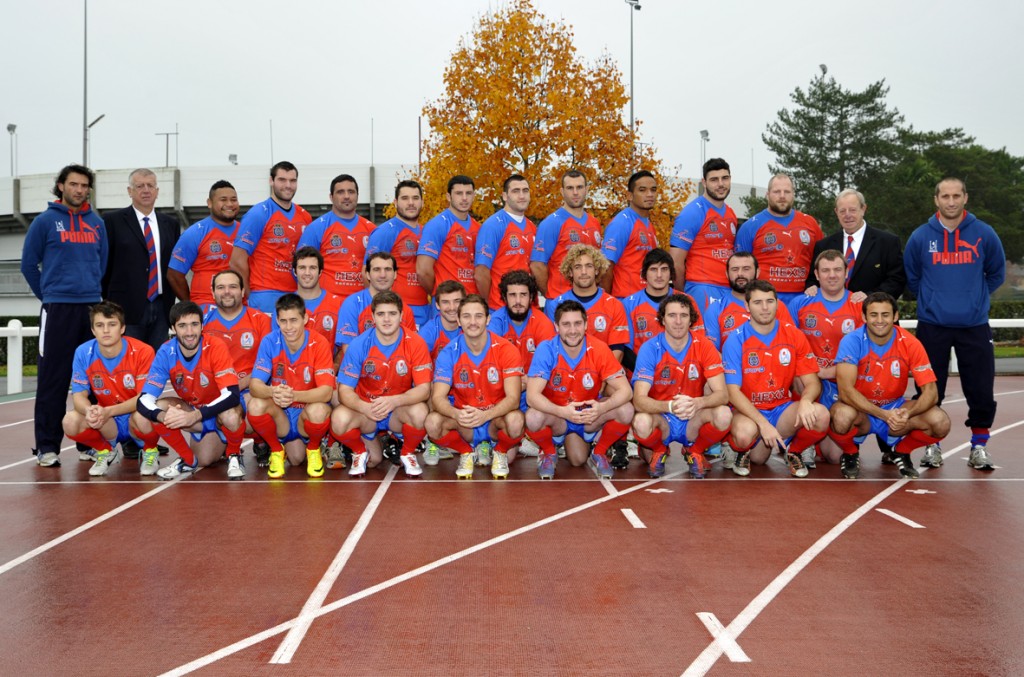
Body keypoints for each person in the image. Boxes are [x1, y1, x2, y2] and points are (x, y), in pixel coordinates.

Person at [904, 177, 1005, 471]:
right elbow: (912, 277)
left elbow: (996, 273)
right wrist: (932, 299)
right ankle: (931, 444)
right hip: (932, 324)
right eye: (945, 196)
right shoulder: (921, 237)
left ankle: (979, 446)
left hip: (974, 324)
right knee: (929, 389)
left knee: (981, 388)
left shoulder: (984, 234)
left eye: (956, 196)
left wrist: (975, 298)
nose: (951, 201)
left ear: (965, 198)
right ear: (936, 200)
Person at [21, 164, 108, 467]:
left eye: (84, 185)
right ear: (61, 186)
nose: (79, 190)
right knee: (53, 380)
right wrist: (49, 296)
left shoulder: (96, 224)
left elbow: (103, 264)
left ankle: (89, 442)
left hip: (90, 310)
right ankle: (47, 446)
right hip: (57, 310)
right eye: (73, 184)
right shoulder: (45, 222)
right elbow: (28, 265)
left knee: (93, 381)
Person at [830, 292, 951, 479]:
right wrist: (883, 415)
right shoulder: (851, 341)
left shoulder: (911, 343)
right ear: (863, 317)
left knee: (940, 422)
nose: (879, 320)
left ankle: (901, 451)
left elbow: (931, 392)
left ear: (895, 316)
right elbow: (846, 392)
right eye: (873, 315)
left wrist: (907, 414)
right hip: (862, 411)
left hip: (895, 408)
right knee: (840, 416)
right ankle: (851, 452)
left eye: (885, 315)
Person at [721, 280, 830, 478]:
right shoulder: (735, 339)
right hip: (748, 412)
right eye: (758, 302)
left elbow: (812, 382)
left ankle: (795, 452)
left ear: (777, 304)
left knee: (820, 414)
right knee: (753, 449)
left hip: (781, 410)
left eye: (770, 301)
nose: (765, 308)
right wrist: (763, 424)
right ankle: (738, 448)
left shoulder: (793, 334)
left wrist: (805, 401)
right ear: (747, 306)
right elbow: (732, 392)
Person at [134, 302, 247, 480]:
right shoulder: (166, 351)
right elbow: (144, 399)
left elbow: (232, 395)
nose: (189, 332)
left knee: (231, 416)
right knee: (151, 413)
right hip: (193, 410)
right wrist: (163, 417)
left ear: (202, 326)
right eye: (182, 326)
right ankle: (187, 460)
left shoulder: (215, 346)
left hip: (219, 412)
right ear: (173, 328)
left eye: (194, 324)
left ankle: (234, 454)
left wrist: (195, 416)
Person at [525, 301, 634, 480]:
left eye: (577, 323)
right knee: (532, 416)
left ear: (586, 325)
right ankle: (549, 452)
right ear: (556, 327)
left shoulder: (598, 348)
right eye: (566, 324)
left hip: (588, 416)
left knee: (626, 409)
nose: (572, 330)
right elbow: (532, 396)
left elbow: (626, 391)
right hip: (558, 415)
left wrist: (601, 408)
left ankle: (599, 452)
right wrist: (562, 412)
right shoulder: (546, 349)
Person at [331, 291, 431, 478]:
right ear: (373, 316)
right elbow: (344, 390)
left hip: (397, 411)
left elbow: (424, 389)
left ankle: (407, 452)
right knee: (339, 420)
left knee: (420, 412)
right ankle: (360, 450)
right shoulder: (359, 344)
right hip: (367, 412)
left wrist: (395, 401)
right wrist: (364, 407)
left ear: (401, 316)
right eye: (381, 314)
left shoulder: (416, 343)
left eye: (392, 313)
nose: (386, 319)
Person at [631, 294, 731, 479]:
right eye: (672, 315)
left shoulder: (705, 346)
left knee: (724, 414)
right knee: (641, 423)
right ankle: (660, 450)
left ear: (691, 319)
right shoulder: (650, 348)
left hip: (693, 416)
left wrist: (697, 403)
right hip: (661, 417)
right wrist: (670, 406)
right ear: (662, 319)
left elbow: (722, 395)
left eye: (684, 315)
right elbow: (639, 400)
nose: (678, 321)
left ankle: (695, 451)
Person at [427, 294, 525, 479]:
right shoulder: (449, 352)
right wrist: (457, 414)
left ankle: (500, 451)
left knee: (516, 421)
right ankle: (466, 452)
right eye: (466, 316)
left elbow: (513, 398)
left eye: (478, 316)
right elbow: (438, 397)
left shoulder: (506, 349)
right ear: (458, 320)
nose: (473, 322)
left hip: (495, 418)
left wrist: (486, 415)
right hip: (466, 421)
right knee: (432, 423)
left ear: (488, 319)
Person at [62, 301, 161, 477]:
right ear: (93, 330)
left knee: (145, 414)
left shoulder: (143, 351)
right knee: (70, 421)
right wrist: (89, 409)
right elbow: (79, 395)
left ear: (122, 328)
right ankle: (105, 451)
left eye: (112, 324)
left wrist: (108, 411)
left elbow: (144, 398)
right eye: (100, 325)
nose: (105, 330)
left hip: (134, 416)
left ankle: (150, 451)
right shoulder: (83, 352)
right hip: (107, 422)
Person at [787, 250, 864, 468]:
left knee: (834, 457)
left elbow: (864, 355)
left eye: (837, 270)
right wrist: (813, 372)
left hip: (841, 381)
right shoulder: (800, 303)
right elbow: (789, 347)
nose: (832, 275)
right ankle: (804, 444)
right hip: (810, 379)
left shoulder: (860, 305)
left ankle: (825, 438)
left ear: (846, 273)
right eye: (826, 270)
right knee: (801, 378)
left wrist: (830, 372)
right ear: (817, 275)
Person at [246, 294, 335, 479]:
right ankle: (276, 450)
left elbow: (326, 392)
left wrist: (293, 396)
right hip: (282, 414)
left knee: (298, 455)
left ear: (305, 318)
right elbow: (254, 385)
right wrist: (273, 391)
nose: (288, 327)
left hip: (305, 413)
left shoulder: (319, 343)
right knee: (255, 404)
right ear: (277, 320)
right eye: (283, 321)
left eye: (294, 320)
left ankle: (314, 449)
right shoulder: (270, 341)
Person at [100, 168, 181, 351]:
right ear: (130, 191)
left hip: (162, 306)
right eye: (139, 186)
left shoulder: (170, 224)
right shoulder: (112, 221)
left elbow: (174, 266)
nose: (146, 190)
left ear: (157, 191)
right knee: (129, 360)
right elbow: (104, 265)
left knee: (156, 363)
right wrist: (109, 300)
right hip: (125, 307)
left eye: (150, 185)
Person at [201, 270, 273, 466]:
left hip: (250, 388)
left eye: (233, 287)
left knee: (255, 409)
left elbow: (269, 364)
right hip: (217, 392)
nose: (227, 292)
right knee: (205, 459)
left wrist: (237, 386)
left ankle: (260, 442)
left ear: (243, 291)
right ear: (212, 292)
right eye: (221, 287)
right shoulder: (202, 323)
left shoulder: (260, 320)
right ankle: (228, 438)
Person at [488, 270, 556, 458]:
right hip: (504, 394)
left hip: (533, 394)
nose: (518, 301)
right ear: (504, 297)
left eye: (523, 295)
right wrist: (516, 383)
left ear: (532, 297)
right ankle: (517, 437)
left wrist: (523, 383)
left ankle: (529, 436)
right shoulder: (495, 322)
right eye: (512, 295)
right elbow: (491, 368)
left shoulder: (543, 324)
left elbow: (549, 370)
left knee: (577, 458)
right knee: (507, 460)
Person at [230, 161, 312, 313]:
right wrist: (249, 295)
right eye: (282, 180)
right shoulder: (259, 214)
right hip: (265, 295)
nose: (288, 185)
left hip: (297, 294)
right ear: (271, 181)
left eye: (292, 181)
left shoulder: (305, 217)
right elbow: (236, 260)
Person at [735, 173, 823, 305]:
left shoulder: (810, 223)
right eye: (777, 191)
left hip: (804, 298)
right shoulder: (750, 226)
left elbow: (821, 261)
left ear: (793, 194)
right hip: (765, 300)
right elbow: (739, 267)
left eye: (787, 191)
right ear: (768, 194)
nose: (782, 196)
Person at [805, 189, 906, 300]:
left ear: (863, 209)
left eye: (852, 210)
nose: (847, 215)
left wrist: (870, 297)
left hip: (872, 312)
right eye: (842, 211)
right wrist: (812, 287)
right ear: (836, 212)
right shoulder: (824, 245)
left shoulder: (888, 242)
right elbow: (813, 279)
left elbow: (897, 281)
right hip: (833, 314)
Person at [669, 158, 737, 311]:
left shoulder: (731, 213)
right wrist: (682, 295)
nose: (720, 184)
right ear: (704, 182)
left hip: (728, 289)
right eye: (714, 180)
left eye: (725, 178)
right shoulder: (692, 213)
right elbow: (675, 262)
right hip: (702, 288)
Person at [298, 174, 375, 301]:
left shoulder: (371, 230)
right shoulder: (316, 228)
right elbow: (300, 269)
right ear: (331, 197)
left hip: (361, 304)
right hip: (327, 305)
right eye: (340, 192)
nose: (346, 196)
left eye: (351, 192)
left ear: (357, 196)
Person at [620, 248, 704, 365]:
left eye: (664, 269)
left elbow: (698, 342)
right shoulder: (628, 304)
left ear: (671, 273)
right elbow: (624, 349)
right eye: (653, 269)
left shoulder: (687, 301)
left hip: (681, 372)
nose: (659, 275)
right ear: (644, 273)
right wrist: (646, 371)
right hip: (641, 373)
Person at [545, 244, 629, 361]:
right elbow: (552, 348)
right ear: (570, 272)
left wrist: (601, 378)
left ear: (596, 270)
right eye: (578, 267)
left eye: (589, 266)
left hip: (604, 374)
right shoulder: (555, 305)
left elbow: (617, 352)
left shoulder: (615, 305)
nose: (583, 272)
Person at [365, 180, 431, 327]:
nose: (411, 203)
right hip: (397, 311)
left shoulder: (426, 232)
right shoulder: (385, 232)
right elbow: (367, 272)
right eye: (405, 198)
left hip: (426, 310)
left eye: (415, 198)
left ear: (422, 202)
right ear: (395, 202)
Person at [530, 170, 603, 299]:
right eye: (570, 188)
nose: (575, 192)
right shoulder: (551, 223)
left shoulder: (594, 223)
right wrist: (551, 296)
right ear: (562, 192)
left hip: (589, 299)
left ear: (586, 190)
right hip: (561, 301)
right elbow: (537, 265)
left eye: (579, 187)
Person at [168, 180, 241, 308]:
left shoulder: (246, 232)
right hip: (206, 306)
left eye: (233, 199)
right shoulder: (195, 233)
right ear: (209, 203)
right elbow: (174, 275)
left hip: (239, 306)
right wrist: (190, 306)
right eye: (223, 200)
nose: (229, 204)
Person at [335, 251, 418, 363]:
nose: (383, 275)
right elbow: (348, 350)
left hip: (396, 372)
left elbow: (411, 349)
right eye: (377, 269)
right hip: (362, 375)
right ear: (368, 274)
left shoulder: (404, 309)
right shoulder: (352, 304)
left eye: (388, 269)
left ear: (395, 274)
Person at [703, 251, 795, 350]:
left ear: (757, 272)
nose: (740, 274)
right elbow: (711, 352)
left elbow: (792, 343)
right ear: (727, 274)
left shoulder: (776, 305)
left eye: (746, 269)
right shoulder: (715, 309)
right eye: (734, 269)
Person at [475, 174, 536, 309]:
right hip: (500, 307)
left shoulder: (532, 227)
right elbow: (481, 272)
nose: (521, 196)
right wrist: (489, 303)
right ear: (504, 196)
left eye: (525, 191)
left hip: (527, 308)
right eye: (515, 191)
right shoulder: (493, 225)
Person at [417, 175, 480, 296]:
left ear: (474, 196)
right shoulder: (437, 225)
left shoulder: (478, 228)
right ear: (448, 197)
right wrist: (438, 294)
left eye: (468, 193)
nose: (464, 198)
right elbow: (423, 271)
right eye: (459, 193)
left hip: (472, 303)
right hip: (447, 305)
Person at [601, 170, 659, 298]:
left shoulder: (649, 226)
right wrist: (607, 302)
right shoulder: (622, 223)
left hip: (645, 299)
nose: (649, 194)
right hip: (624, 299)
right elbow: (606, 267)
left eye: (653, 190)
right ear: (630, 196)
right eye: (642, 190)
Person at [289, 246, 345, 350]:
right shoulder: (284, 305)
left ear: (320, 272)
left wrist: (335, 365)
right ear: (295, 271)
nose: (307, 273)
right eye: (302, 268)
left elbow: (345, 345)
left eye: (312, 268)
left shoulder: (339, 304)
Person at [420, 280, 467, 360]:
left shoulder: (472, 327)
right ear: (438, 305)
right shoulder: (427, 333)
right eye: (445, 302)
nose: (452, 308)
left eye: (457, 301)